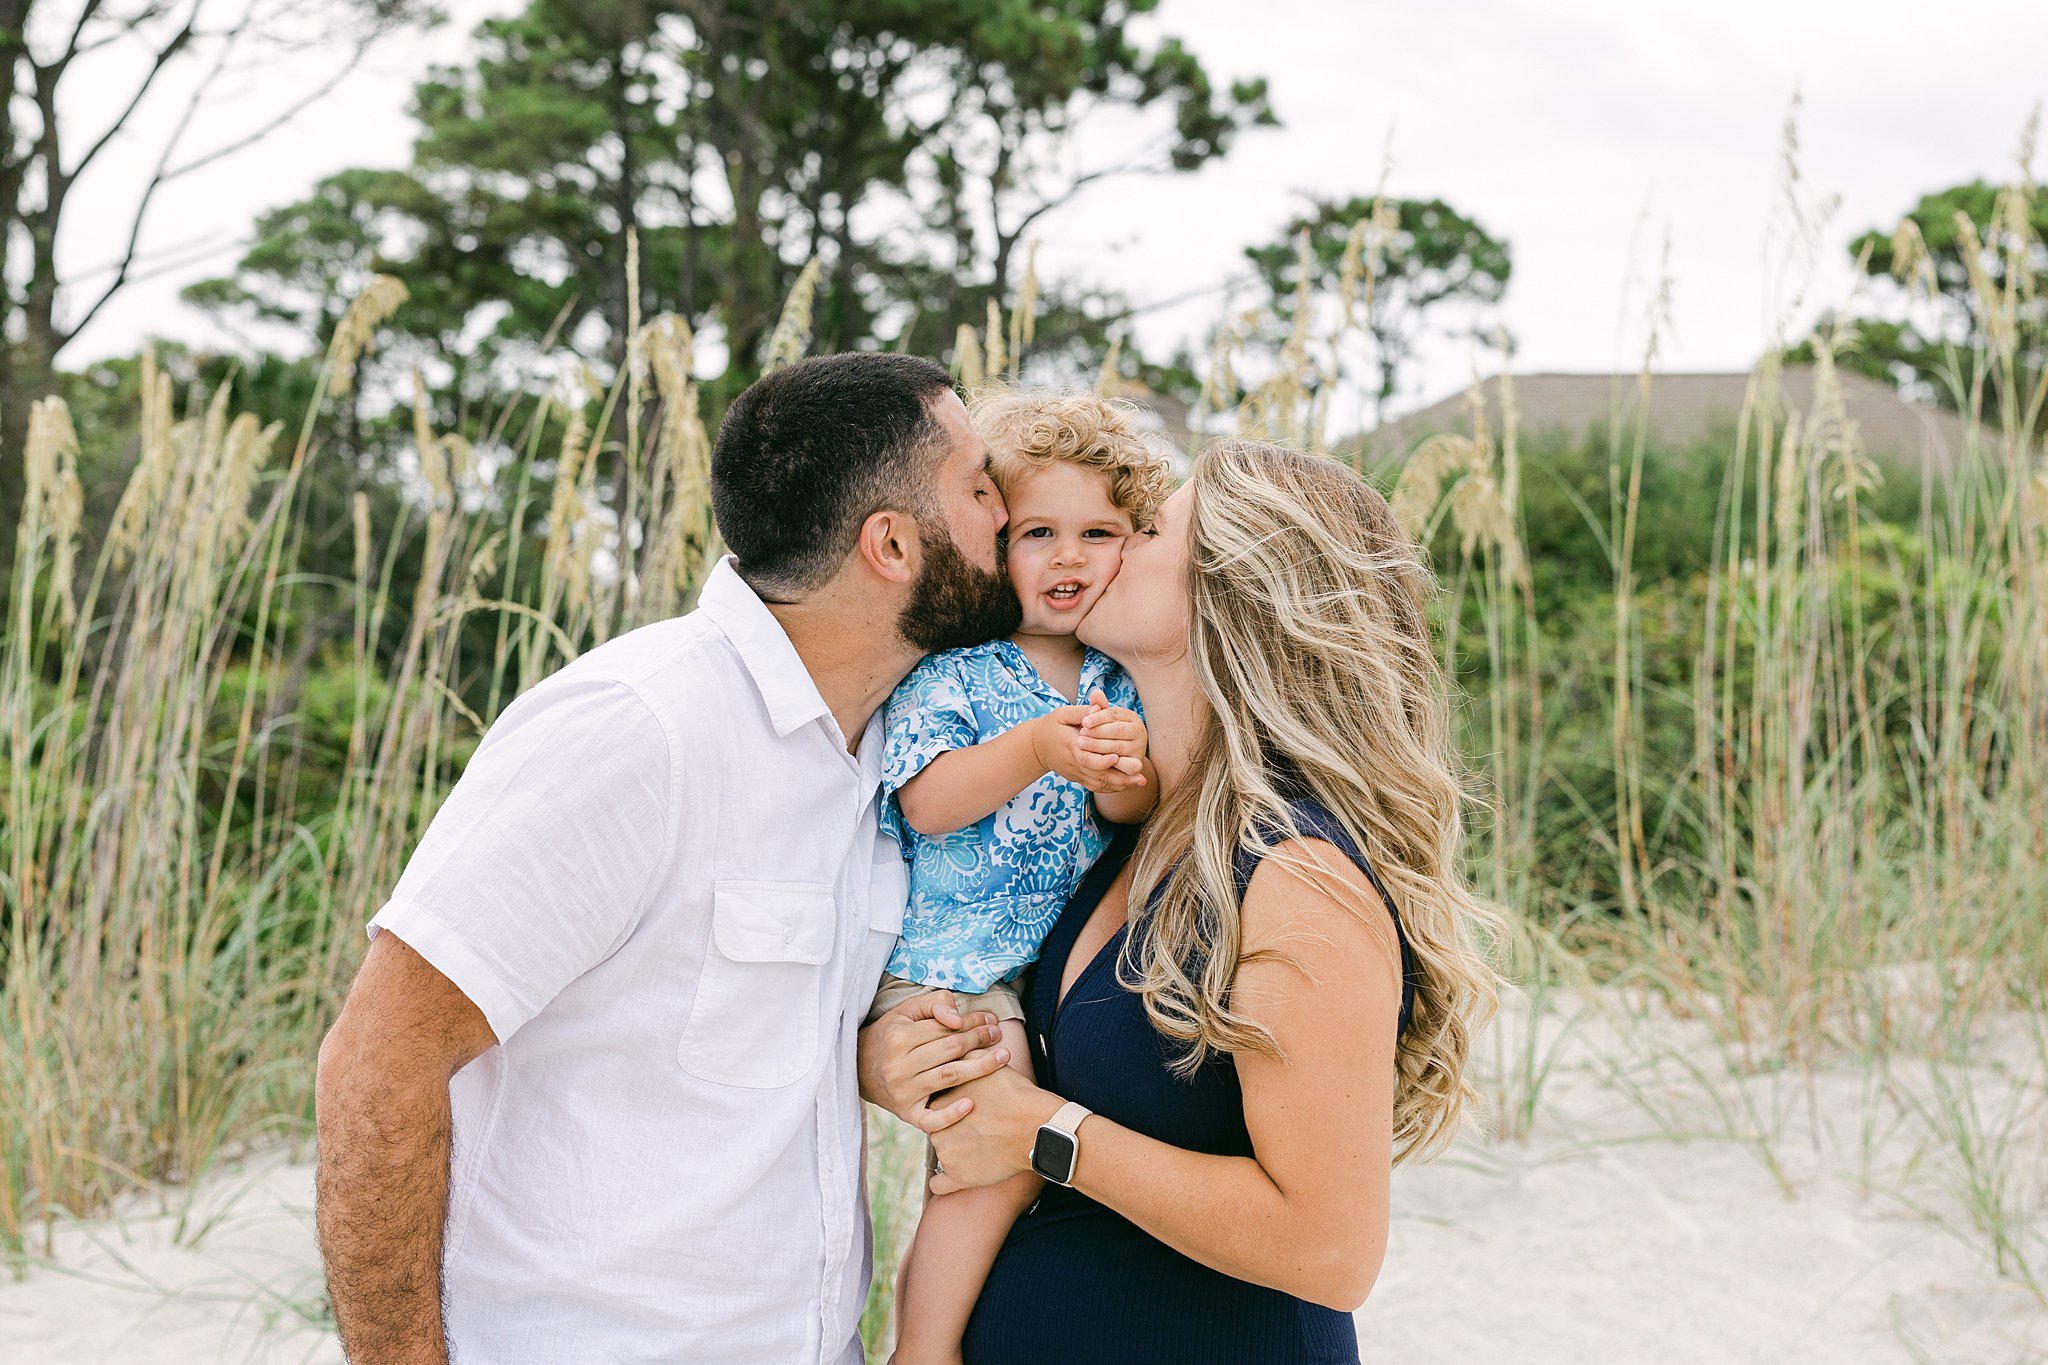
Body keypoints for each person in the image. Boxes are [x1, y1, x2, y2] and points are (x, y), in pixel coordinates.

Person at [313, 352, 1020, 1365]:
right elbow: (377, 1063)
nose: (1005, 511)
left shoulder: (888, 755)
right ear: (893, 544)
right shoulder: (639, 728)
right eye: (978, 487)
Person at [861, 439, 1508, 1365]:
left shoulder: (1297, 872)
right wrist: (885, 1058)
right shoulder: (1136, 824)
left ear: (1231, 589)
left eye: (1151, 527)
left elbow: (1330, 1250)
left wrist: (1048, 1134)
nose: (1105, 550)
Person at [868, 391, 1174, 1362]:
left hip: (1032, 974)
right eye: (1038, 531)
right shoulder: (956, 672)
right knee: (989, 1166)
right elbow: (928, 802)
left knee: (985, 1165)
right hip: (944, 966)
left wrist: (1125, 774)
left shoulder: (1115, 681)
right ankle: (924, 1349)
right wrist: (1040, 745)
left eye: (1100, 532)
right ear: (996, 545)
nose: (1069, 557)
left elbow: (1125, 813)